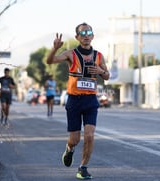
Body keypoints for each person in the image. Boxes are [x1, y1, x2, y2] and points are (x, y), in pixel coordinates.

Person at [46, 22, 110, 179]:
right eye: (83, 33)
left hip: (90, 100)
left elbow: (107, 76)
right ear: (77, 37)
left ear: (93, 36)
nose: (86, 35)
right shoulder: (70, 54)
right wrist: (55, 48)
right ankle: (69, 148)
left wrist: (101, 71)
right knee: (74, 139)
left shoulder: (99, 56)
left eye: (89, 32)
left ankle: (83, 167)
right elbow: (50, 61)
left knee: (89, 135)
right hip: (74, 100)